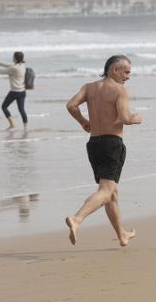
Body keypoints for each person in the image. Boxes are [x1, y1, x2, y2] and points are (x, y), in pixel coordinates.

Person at [65, 55, 142, 247]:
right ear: (115, 69)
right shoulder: (119, 90)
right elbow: (124, 117)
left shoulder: (89, 87)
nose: (128, 77)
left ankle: (122, 235)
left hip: (94, 144)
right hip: (112, 144)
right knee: (106, 192)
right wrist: (136, 118)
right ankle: (77, 218)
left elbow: (71, 105)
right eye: (126, 72)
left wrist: (83, 122)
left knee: (112, 193)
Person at [0, 51, 28, 130]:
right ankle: (25, 127)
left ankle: (12, 125)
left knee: (4, 107)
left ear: (15, 58)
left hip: (14, 92)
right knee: (21, 110)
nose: (12, 58)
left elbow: (2, 72)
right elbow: (9, 65)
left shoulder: (14, 68)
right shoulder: (22, 65)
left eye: (13, 57)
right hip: (22, 92)